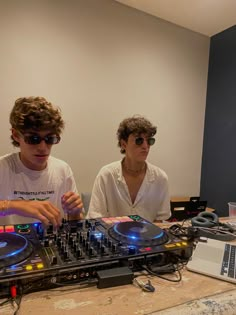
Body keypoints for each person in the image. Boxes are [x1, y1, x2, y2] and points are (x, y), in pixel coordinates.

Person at [0, 96, 83, 227]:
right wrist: (13, 206)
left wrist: (75, 212)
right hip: (10, 245)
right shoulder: (3, 167)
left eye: (50, 139)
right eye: (33, 139)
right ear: (16, 135)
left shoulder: (62, 169)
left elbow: (74, 222)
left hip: (51, 245)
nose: (43, 148)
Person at [86, 115, 171, 222]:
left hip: (150, 238)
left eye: (149, 141)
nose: (145, 146)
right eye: (139, 141)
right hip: (113, 237)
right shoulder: (107, 175)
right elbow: (96, 218)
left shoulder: (160, 178)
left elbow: (161, 220)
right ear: (123, 144)